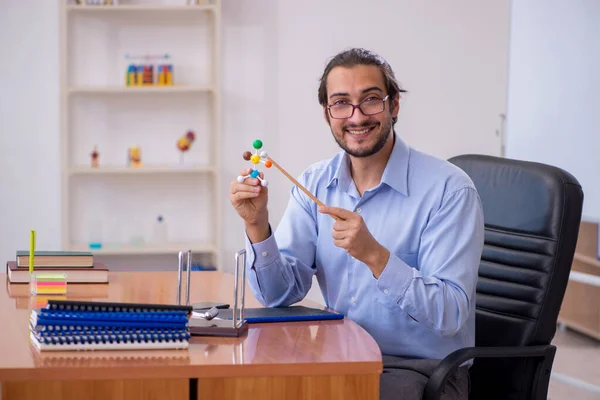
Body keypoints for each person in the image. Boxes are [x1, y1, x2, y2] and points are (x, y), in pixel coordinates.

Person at [229, 47, 484, 400]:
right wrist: (257, 226)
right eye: (341, 103)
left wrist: (376, 257)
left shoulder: (449, 190)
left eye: (371, 100)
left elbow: (450, 314)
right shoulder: (315, 183)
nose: (356, 116)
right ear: (327, 114)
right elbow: (278, 295)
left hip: (418, 370)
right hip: (340, 357)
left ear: (394, 105)